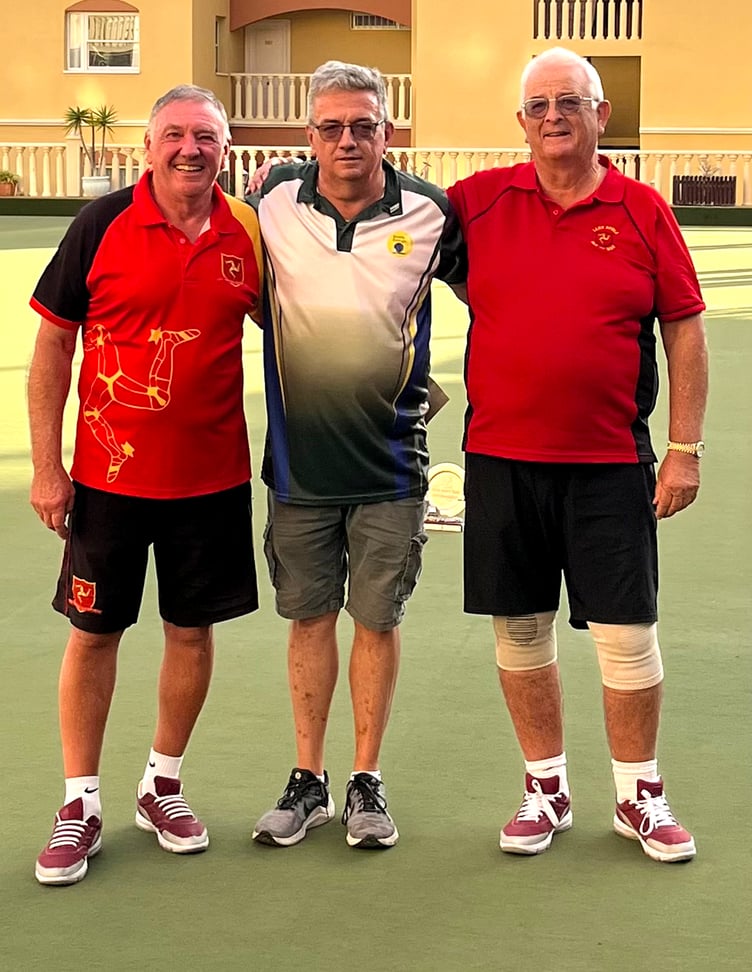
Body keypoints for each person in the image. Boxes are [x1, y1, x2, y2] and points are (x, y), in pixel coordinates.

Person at [446, 47, 707, 863]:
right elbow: (390, 220)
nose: (554, 116)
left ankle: (638, 795)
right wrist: (289, 182)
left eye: (571, 102)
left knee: (626, 632)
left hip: (608, 462)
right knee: (521, 627)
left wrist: (684, 449)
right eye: (539, 105)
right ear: (521, 123)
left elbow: (685, 329)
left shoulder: (643, 210)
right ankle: (546, 789)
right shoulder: (476, 203)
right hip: (501, 456)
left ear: (602, 114)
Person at [28, 84, 263, 885]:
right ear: (149, 146)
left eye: (205, 136)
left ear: (225, 148)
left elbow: (299, 328)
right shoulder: (101, 225)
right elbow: (53, 348)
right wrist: (49, 468)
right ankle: (80, 802)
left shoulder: (247, 233)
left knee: (191, 633)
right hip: (108, 480)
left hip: (213, 480)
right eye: (175, 135)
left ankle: (162, 784)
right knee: (94, 634)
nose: (189, 149)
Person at [247, 60, 465, 849]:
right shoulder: (272, 198)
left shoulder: (433, 214)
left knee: (376, 620)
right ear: (309, 136)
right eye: (332, 127)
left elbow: (500, 299)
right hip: (299, 467)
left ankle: (365, 781)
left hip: (391, 468)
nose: (348, 140)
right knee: (309, 620)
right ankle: (308, 780)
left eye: (363, 126)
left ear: (387, 132)